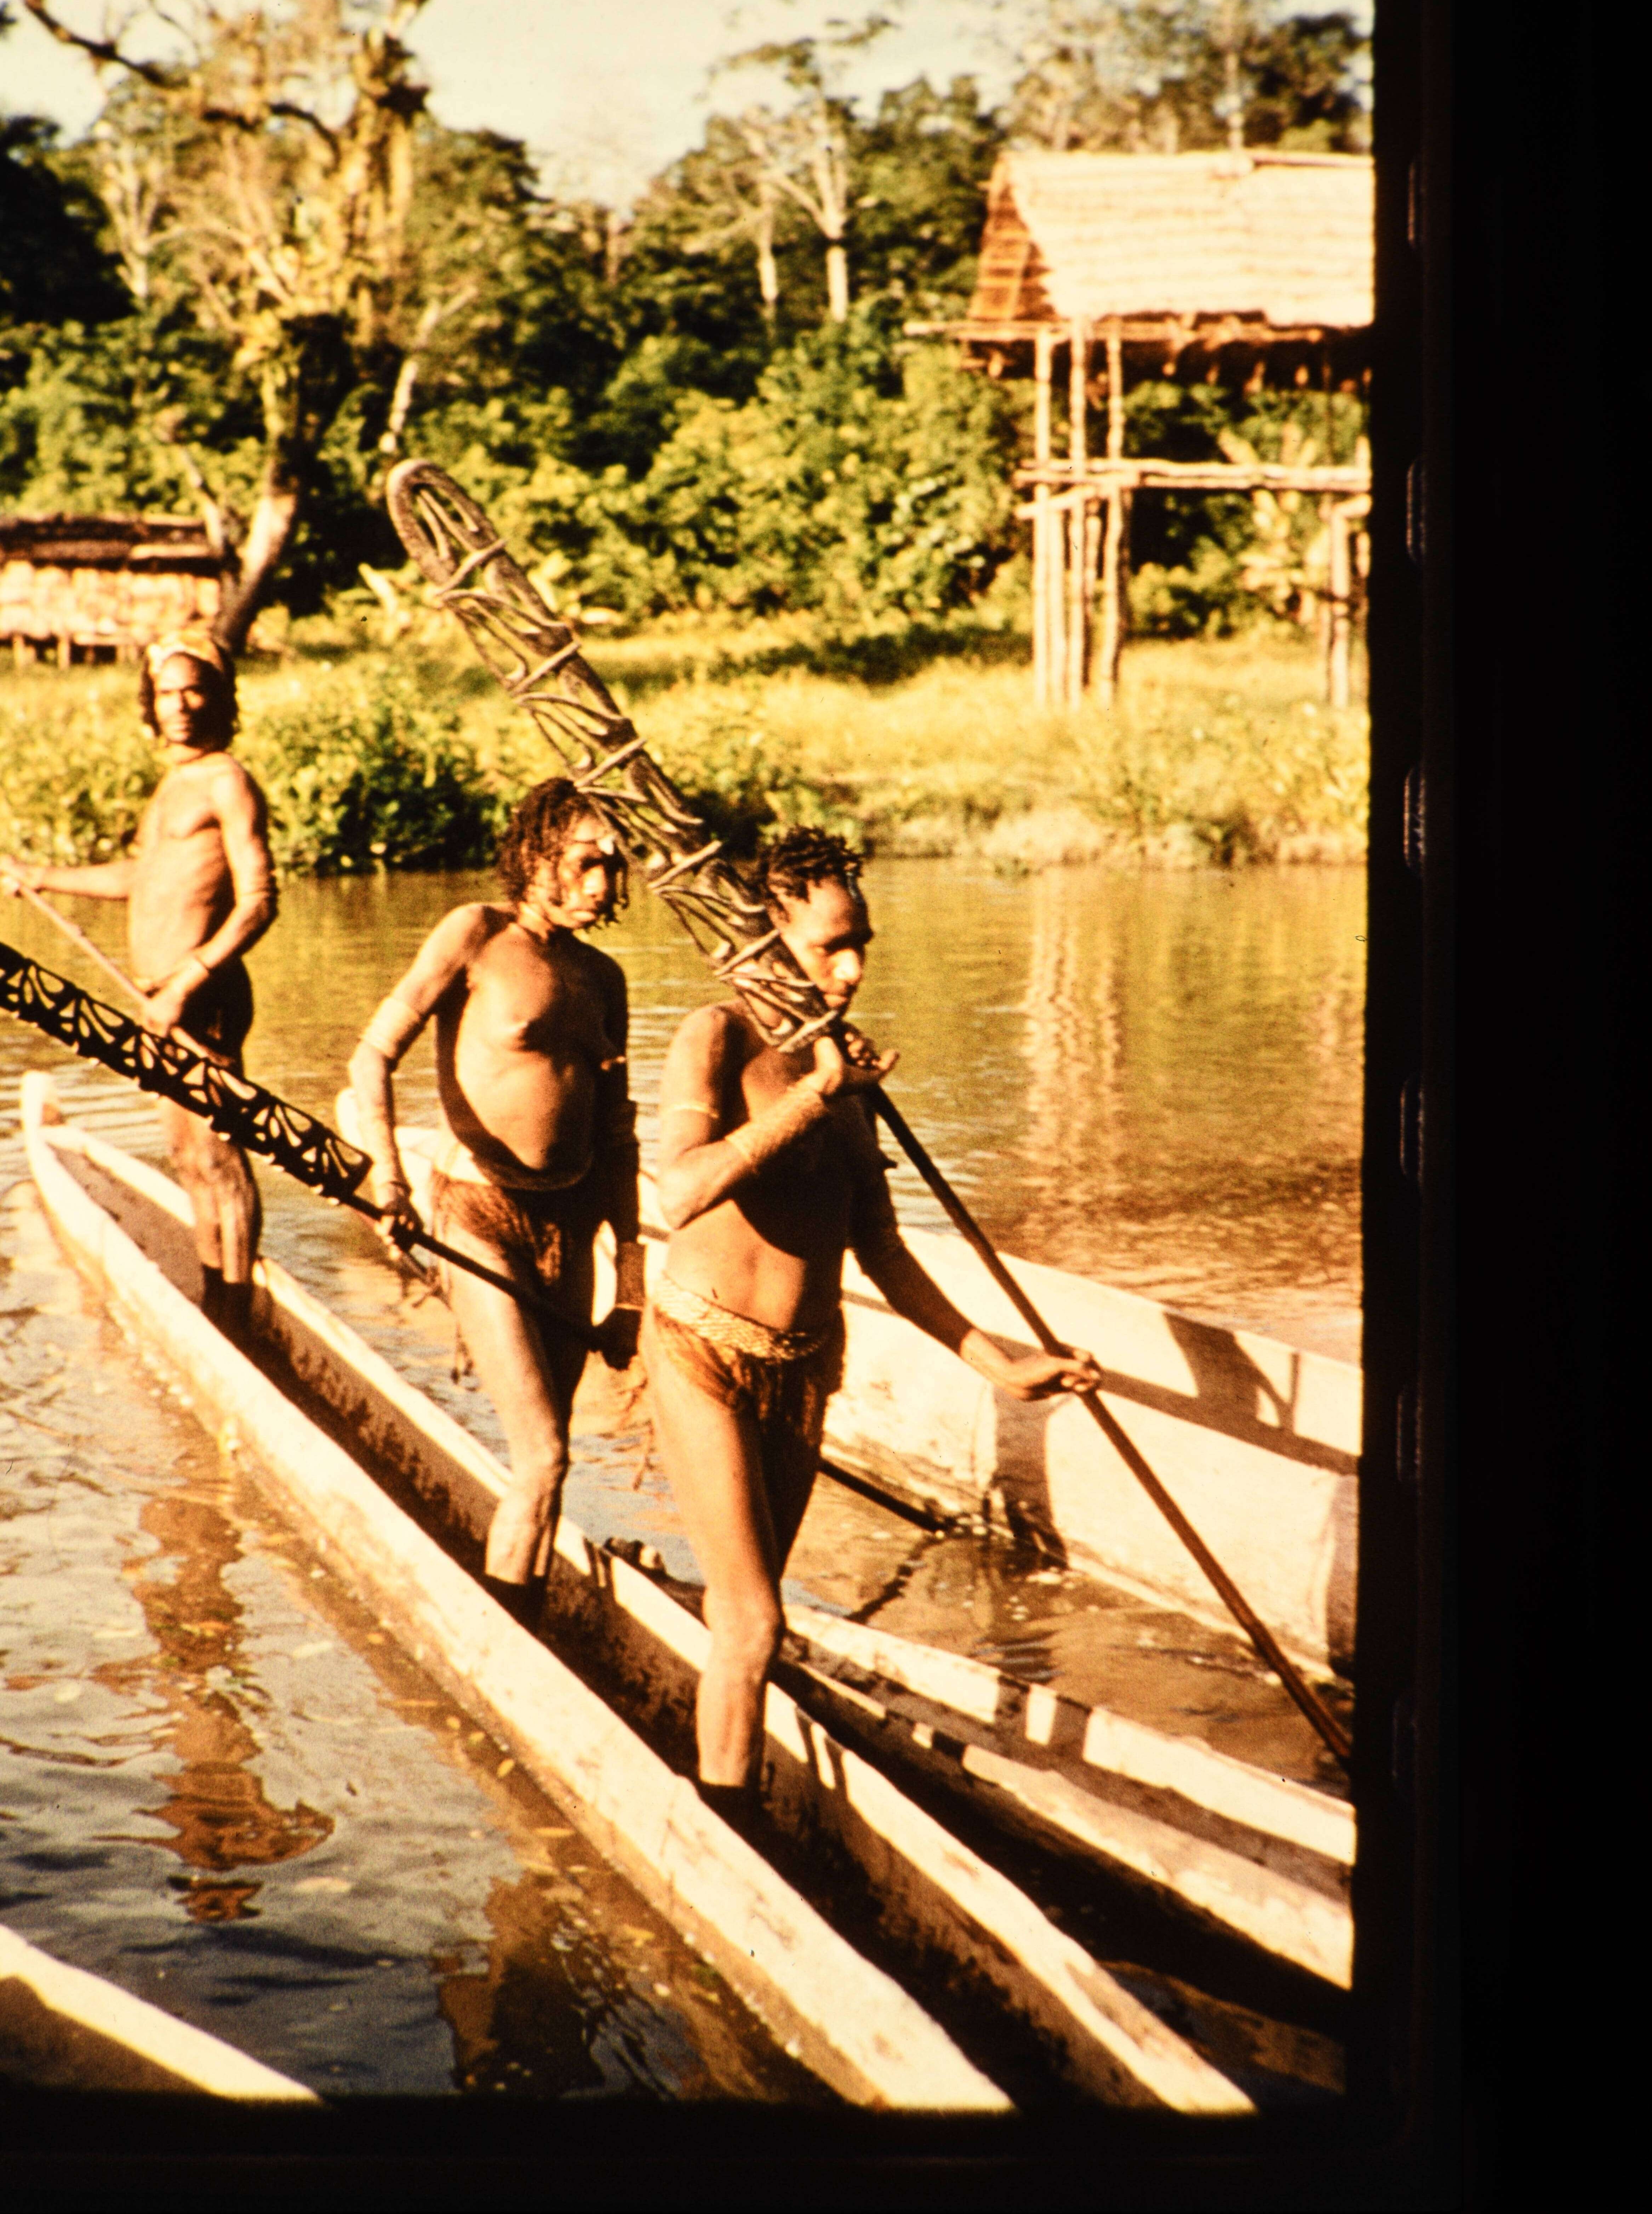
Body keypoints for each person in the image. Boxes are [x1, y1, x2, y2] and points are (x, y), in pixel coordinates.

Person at [644, 826, 1101, 1829]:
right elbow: (678, 1192)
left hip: (805, 1366)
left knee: (750, 1613)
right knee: (754, 1621)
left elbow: (884, 1250)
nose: (851, 971)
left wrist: (998, 1365)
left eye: (862, 947)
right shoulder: (718, 1039)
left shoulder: (851, 1079)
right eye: (829, 947)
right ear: (767, 936)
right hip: (703, 1351)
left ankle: (732, 1787)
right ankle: (722, 1831)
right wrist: (815, 1093)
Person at [348, 778, 645, 1627]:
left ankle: (525, 1612)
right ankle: (504, 1632)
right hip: (478, 1215)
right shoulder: (475, 934)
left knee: (551, 1458)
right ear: (536, 855)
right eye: (585, 864)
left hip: (572, 1227)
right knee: (544, 1452)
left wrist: (630, 1284)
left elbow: (618, 1137)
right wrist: (390, 1180)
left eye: (614, 868)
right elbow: (372, 1057)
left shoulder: (605, 977)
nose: (602, 885)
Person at [3, 630, 276, 1336]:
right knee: (186, 1156)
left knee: (218, 1156)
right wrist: (41, 876)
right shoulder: (173, 785)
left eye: (194, 691)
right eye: (166, 693)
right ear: (151, 706)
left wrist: (188, 981)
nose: (179, 705)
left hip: (201, 999)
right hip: (157, 996)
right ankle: (218, 1299)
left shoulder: (226, 780)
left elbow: (258, 901)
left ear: (220, 699)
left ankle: (241, 1318)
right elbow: (143, 878)